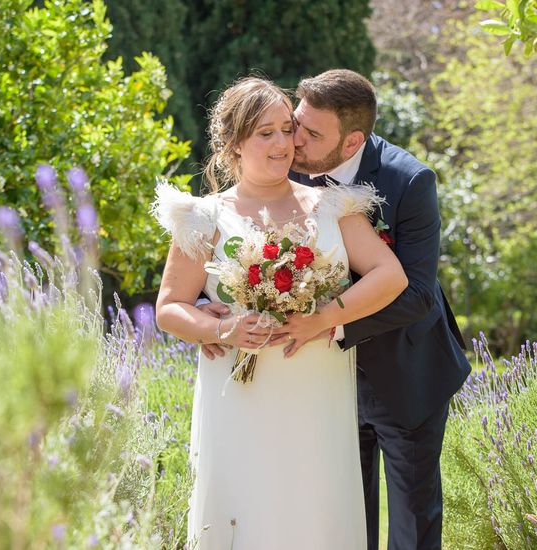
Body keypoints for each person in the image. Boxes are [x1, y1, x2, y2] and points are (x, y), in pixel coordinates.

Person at [205, 69, 472, 549]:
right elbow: (239, 234)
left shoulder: (408, 181)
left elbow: (417, 293)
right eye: (293, 125)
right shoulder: (289, 166)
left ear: (351, 143)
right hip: (319, 380)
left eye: (308, 132)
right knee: (344, 512)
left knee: (412, 517)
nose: (294, 141)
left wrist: (326, 323)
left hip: (403, 369)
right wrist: (213, 313)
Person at [153, 77, 408, 550]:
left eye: (286, 128)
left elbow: (390, 277)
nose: (282, 142)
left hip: (318, 390)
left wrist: (325, 316)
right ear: (233, 145)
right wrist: (221, 327)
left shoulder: (332, 206)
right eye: (264, 132)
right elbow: (169, 309)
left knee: (317, 508)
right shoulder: (204, 216)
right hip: (240, 395)